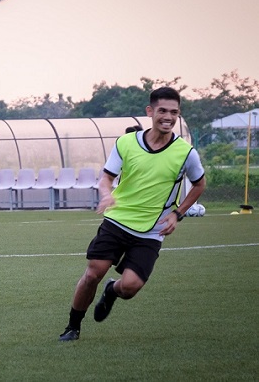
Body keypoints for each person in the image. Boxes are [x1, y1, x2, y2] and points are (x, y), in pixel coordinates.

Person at [59, 87, 206, 341]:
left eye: (174, 112)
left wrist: (177, 214)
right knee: (93, 273)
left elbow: (199, 184)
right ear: (150, 111)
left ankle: (111, 291)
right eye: (162, 111)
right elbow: (106, 178)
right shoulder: (126, 143)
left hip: (152, 229)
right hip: (118, 220)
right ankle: (73, 326)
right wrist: (106, 194)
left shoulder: (186, 153)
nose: (168, 117)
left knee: (129, 287)